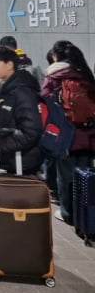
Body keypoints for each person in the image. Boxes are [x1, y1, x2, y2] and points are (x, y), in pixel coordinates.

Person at [41, 40, 95, 224]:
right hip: (89, 135)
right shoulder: (86, 75)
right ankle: (86, 214)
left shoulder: (54, 77)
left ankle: (69, 215)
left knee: (66, 177)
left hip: (66, 138)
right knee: (87, 175)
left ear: (55, 57)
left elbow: (44, 105)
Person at [0, 46, 43, 175]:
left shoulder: (22, 92)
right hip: (11, 159)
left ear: (10, 64)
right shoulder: (7, 89)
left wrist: (2, 144)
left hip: (21, 161)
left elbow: (31, 131)